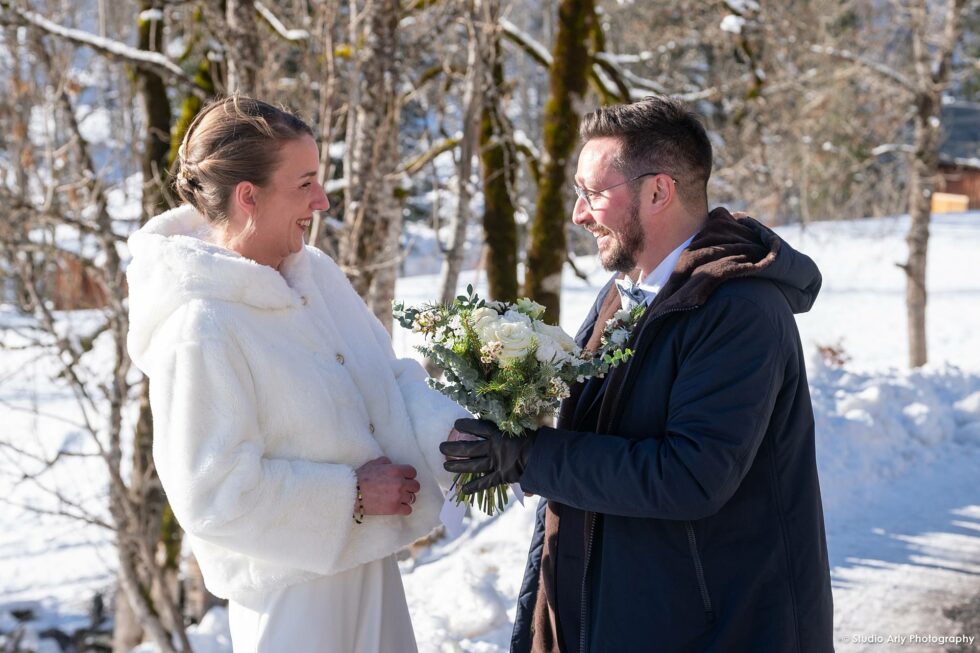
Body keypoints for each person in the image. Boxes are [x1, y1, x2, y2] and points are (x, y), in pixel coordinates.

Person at [442, 96, 835, 652]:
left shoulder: (740, 309)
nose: (579, 214)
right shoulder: (626, 292)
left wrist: (531, 456)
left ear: (658, 191)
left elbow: (691, 476)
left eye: (593, 193)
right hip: (616, 615)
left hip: (712, 630)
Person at [126, 95, 468, 653]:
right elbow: (211, 494)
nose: (323, 200)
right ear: (248, 197)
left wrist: (462, 439)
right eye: (305, 183)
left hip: (369, 569)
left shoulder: (317, 277)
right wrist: (352, 495)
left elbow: (391, 380)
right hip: (290, 602)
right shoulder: (202, 324)